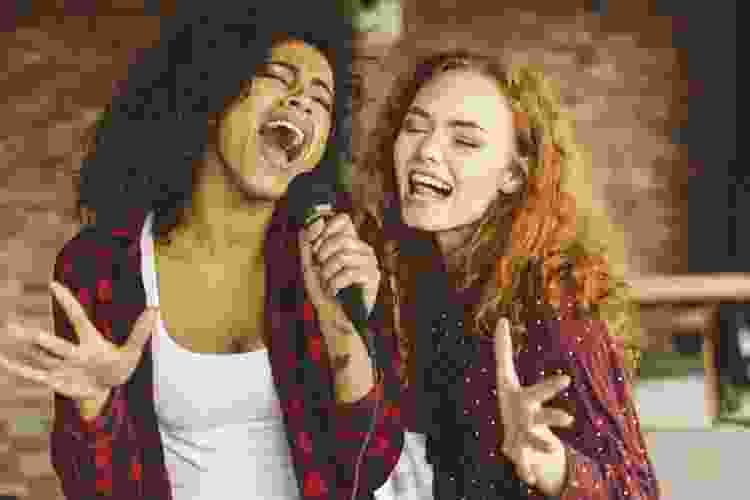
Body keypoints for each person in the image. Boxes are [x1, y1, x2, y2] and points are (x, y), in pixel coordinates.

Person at [0, 4, 403, 499]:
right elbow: (94, 488)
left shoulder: (329, 252)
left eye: (321, 99)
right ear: (213, 93)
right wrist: (96, 409)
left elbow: (371, 465)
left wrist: (342, 329)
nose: (302, 101)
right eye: (278, 76)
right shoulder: (102, 266)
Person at [357, 50, 660, 499]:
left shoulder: (554, 306)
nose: (426, 151)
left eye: (464, 141)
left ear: (514, 175)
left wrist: (556, 468)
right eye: (415, 127)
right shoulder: (406, 276)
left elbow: (638, 491)